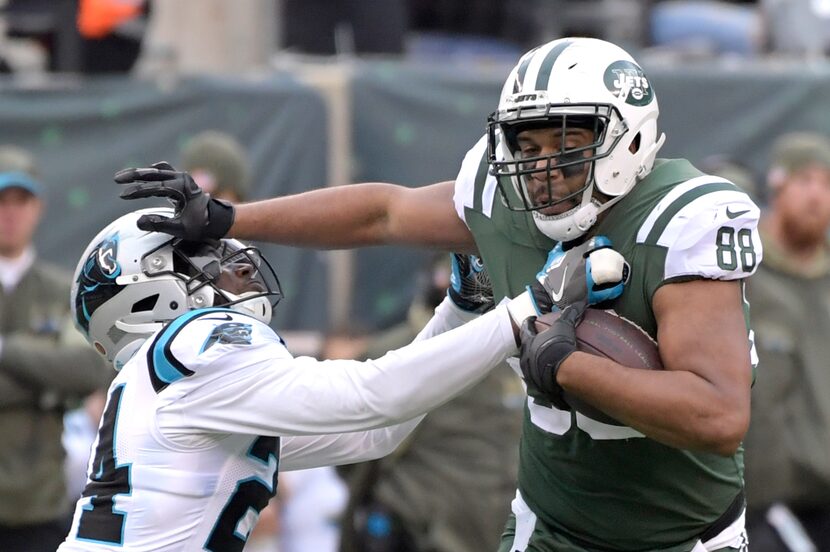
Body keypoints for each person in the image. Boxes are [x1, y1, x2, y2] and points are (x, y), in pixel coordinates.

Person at [115, 37, 761, 551]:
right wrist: (232, 219)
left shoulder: (683, 220)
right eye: (527, 145)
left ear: (630, 137)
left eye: (568, 144)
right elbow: (383, 214)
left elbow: (718, 417)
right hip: (551, 523)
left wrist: (566, 366)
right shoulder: (502, 200)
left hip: (682, 535)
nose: (540, 169)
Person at [56, 206, 621, 551]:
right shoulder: (195, 343)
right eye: (198, 257)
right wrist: (529, 308)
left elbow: (376, 433)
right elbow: (368, 397)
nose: (231, 260)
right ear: (147, 293)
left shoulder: (171, 379)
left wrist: (460, 312)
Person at [338, 253, 523, 552]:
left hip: (494, 529)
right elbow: (346, 450)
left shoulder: (511, 359)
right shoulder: (392, 351)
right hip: (417, 529)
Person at [0, 145, 111, 552]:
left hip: (40, 507)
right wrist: (45, 386)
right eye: (1, 201)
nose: (10, 213)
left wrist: (5, 350)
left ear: (38, 208)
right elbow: (68, 375)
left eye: (21, 201)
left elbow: (87, 368)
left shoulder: (64, 291)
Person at [742, 132, 830, 550]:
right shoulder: (743, 275)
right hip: (761, 506)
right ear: (778, 185)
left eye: (827, 184)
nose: (817, 196)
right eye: (805, 181)